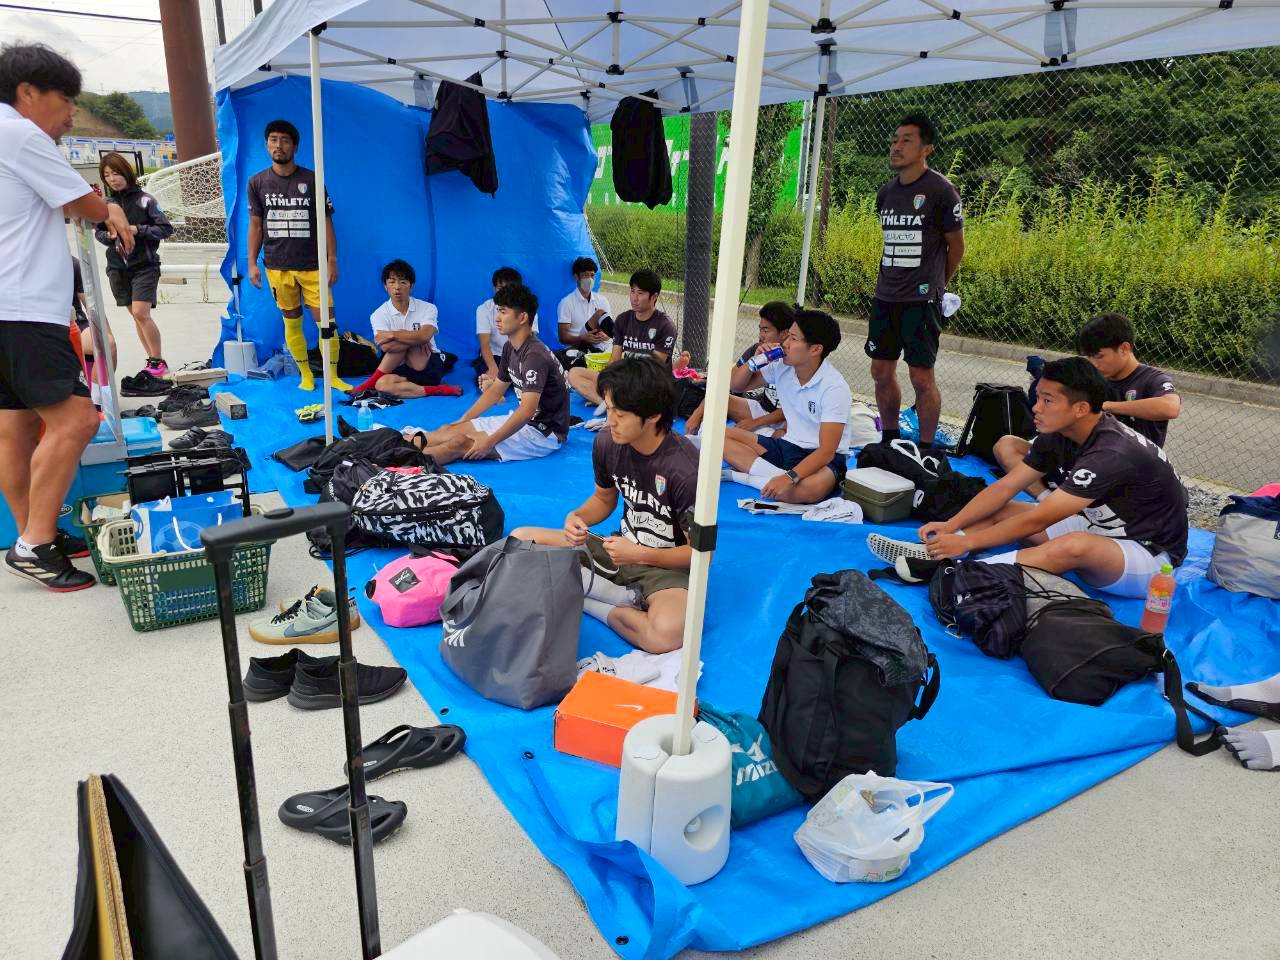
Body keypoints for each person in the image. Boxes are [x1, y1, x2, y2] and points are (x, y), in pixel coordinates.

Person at [870, 357, 1189, 599]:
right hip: (1098, 526)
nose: (1035, 408)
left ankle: (960, 571)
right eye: (1038, 397)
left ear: (1080, 408)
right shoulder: (1060, 432)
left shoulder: (1111, 451)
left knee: (1073, 546)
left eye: (1047, 400)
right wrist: (951, 526)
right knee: (1004, 509)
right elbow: (1007, 486)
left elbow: (1040, 519)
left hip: (1148, 556)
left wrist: (969, 540)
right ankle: (935, 552)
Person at [0, 43, 134, 591]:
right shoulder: (19, 134)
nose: (72, 113)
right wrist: (113, 209)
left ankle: (35, 531)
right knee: (78, 419)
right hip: (24, 309)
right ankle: (34, 544)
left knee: (16, 426)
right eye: (66, 99)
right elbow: (84, 203)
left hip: (8, 309)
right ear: (28, 92)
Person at [512, 357, 695, 654]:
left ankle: (590, 599)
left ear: (653, 415)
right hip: (617, 550)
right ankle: (618, 597)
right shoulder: (608, 443)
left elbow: (700, 555)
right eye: (608, 409)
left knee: (667, 634)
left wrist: (641, 554)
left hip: (665, 568)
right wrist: (576, 517)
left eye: (620, 414)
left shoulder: (686, 469)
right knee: (519, 540)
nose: (611, 421)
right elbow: (603, 499)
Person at [994, 313, 1182, 498]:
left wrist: (1107, 406)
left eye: (1099, 356)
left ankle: (1064, 503)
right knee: (1007, 446)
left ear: (1124, 348)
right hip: (1077, 455)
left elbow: (1170, 407)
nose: (1094, 364)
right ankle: (1047, 500)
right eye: (1089, 357)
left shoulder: (1152, 379)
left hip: (1120, 468)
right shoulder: (1091, 376)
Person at [866, 112, 964, 450]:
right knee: (880, 371)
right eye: (894, 140)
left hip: (921, 301)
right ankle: (889, 438)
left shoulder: (942, 191)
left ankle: (925, 448)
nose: (896, 146)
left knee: (921, 377)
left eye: (906, 140)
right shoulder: (886, 194)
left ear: (927, 148)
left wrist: (936, 286)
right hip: (885, 298)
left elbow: (956, 247)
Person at [407, 283, 567, 464]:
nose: (497, 318)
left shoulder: (534, 356)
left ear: (522, 317)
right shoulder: (510, 347)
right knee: (448, 430)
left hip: (543, 433)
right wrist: (464, 419)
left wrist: (489, 442)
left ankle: (394, 463)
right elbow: (496, 390)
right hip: (524, 420)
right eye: (498, 311)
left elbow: (526, 411)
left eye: (503, 312)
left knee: (459, 443)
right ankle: (388, 445)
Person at [246, 118, 350, 391]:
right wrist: (252, 263)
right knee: (292, 322)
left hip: (313, 266)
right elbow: (255, 225)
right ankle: (306, 375)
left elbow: (326, 221)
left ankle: (332, 376)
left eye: (285, 140)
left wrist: (332, 260)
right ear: (266, 145)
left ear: (295, 146)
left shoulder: (312, 180)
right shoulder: (257, 182)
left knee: (327, 324)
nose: (278, 145)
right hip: (277, 267)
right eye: (273, 140)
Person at [716, 310, 852, 504]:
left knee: (809, 490)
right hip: (787, 446)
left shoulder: (834, 387)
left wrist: (789, 477)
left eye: (793, 339)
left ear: (815, 349)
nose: (785, 343)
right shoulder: (781, 365)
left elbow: (827, 451)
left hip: (823, 459)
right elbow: (735, 385)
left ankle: (746, 477)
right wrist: (755, 361)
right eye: (787, 336)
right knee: (716, 436)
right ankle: (775, 478)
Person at [93, 151, 172, 378]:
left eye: (116, 173)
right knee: (136, 315)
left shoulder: (145, 200)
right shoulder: (105, 204)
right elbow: (98, 231)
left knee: (141, 312)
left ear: (126, 172)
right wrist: (109, 237)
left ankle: (158, 361)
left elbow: (165, 228)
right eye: (107, 175)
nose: (112, 179)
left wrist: (138, 229)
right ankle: (152, 362)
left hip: (144, 266)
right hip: (117, 268)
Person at [347, 259, 461, 398]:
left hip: (425, 362)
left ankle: (367, 385)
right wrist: (415, 338)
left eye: (403, 282)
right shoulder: (378, 314)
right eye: (392, 282)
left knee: (409, 346)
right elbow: (386, 347)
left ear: (411, 286)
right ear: (385, 286)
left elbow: (425, 336)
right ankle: (438, 390)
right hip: (397, 366)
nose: (397, 287)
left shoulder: (428, 308)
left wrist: (393, 334)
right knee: (381, 385)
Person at [684, 300, 794, 436]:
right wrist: (754, 362)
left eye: (766, 331)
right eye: (760, 329)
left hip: (788, 421)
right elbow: (733, 385)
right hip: (765, 411)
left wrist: (755, 423)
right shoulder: (760, 349)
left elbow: (794, 410)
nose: (761, 336)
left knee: (779, 436)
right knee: (719, 402)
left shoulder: (796, 359)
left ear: (785, 333)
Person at [568, 269, 675, 406]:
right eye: (632, 291)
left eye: (640, 293)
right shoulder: (623, 320)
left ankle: (612, 402)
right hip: (624, 381)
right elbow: (614, 359)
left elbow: (655, 368)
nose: (634, 298)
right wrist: (607, 380)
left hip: (649, 386)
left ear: (654, 297)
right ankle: (608, 404)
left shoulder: (665, 325)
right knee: (574, 374)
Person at [474, 265, 538, 389]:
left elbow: (530, 341)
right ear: (494, 288)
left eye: (510, 288)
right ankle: (495, 389)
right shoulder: (484, 309)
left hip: (519, 355)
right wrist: (493, 369)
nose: (505, 292)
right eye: (500, 288)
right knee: (486, 378)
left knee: (536, 378)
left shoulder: (527, 308)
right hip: (495, 356)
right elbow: (484, 344)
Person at [70, 255, 116, 404]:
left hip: (75, 324)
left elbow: (93, 308)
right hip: (40, 328)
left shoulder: (72, 264)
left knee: (107, 344)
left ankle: (97, 402)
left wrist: (109, 336)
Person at [555, 255, 612, 370]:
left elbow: (609, 329)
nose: (590, 279)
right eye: (586, 275)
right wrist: (582, 338)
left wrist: (604, 336)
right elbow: (563, 337)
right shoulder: (566, 303)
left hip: (602, 348)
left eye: (592, 275)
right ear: (576, 277)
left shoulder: (602, 300)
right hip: (578, 348)